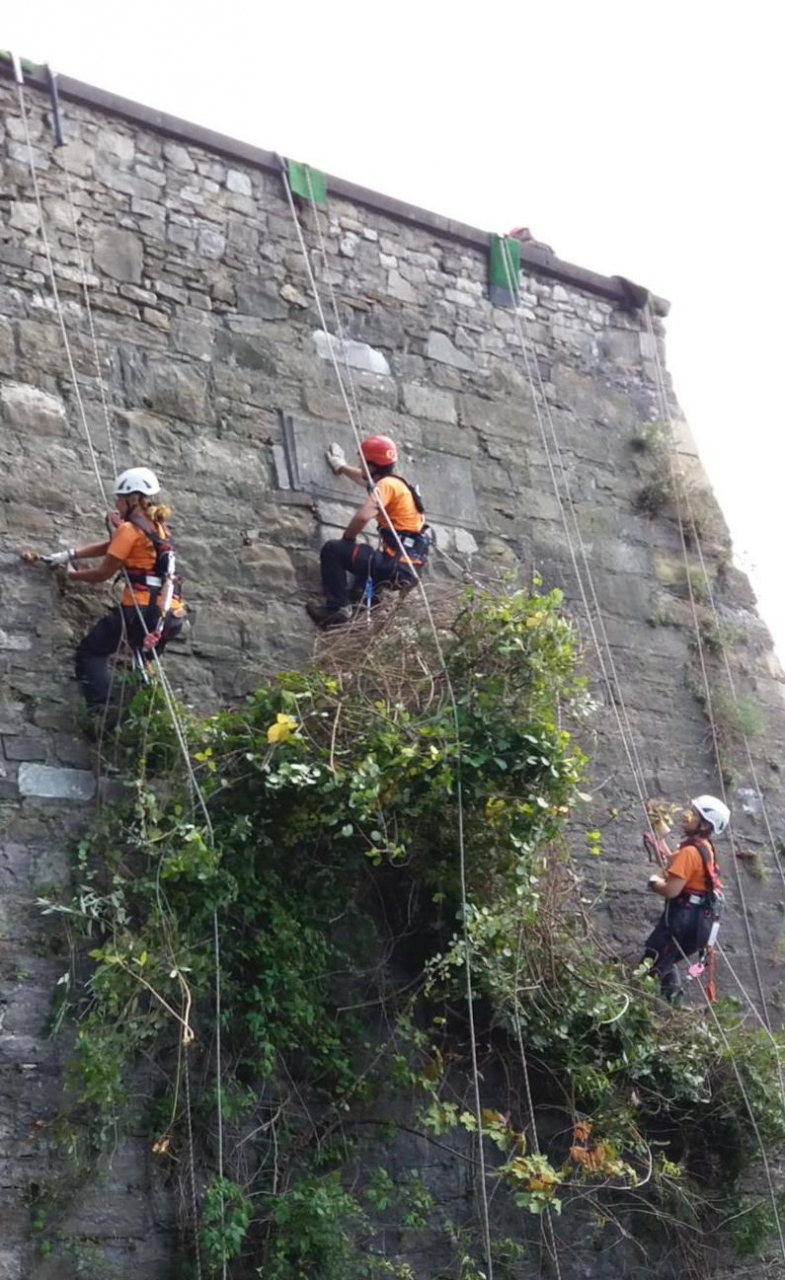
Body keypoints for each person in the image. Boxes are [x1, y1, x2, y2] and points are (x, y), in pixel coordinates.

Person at [37, 467, 186, 723]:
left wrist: (70, 575)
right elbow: (112, 546)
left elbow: (103, 573)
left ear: (133, 499)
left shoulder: (130, 529)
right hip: (169, 614)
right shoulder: (157, 528)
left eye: (119, 498)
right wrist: (70, 554)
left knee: (91, 652)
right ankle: (140, 719)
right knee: (141, 664)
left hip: (141, 611)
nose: (116, 502)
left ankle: (103, 714)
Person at [306, 434, 432, 628]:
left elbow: (363, 516)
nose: (359, 465)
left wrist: (347, 539)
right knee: (366, 557)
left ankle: (337, 609)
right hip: (406, 570)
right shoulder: (398, 485)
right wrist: (341, 466)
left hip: (392, 565)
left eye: (362, 462)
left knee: (333, 550)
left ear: (372, 466)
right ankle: (362, 598)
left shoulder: (386, 485)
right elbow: (366, 481)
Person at [642, 794, 729, 1004]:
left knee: (654, 958)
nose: (685, 815)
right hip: (698, 921)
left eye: (693, 814)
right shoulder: (703, 846)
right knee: (661, 960)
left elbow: (671, 890)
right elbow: (672, 860)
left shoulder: (690, 852)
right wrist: (659, 832)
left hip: (686, 921)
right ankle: (670, 1007)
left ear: (705, 824)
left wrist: (653, 882)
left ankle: (656, 1007)